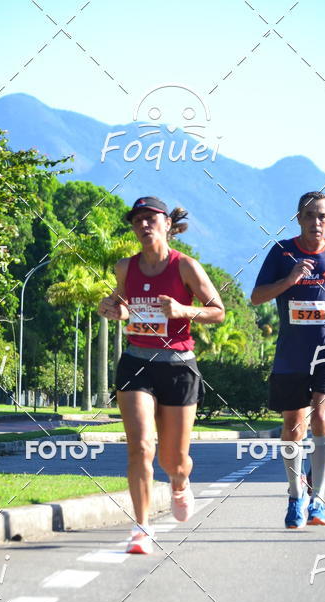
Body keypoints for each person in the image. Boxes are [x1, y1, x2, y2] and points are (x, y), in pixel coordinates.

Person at [98, 196, 225, 553]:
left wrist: (184, 309)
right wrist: (111, 309)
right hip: (136, 361)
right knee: (140, 447)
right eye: (137, 219)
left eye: (151, 218)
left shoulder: (185, 267)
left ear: (167, 223)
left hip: (178, 364)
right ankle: (141, 529)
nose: (143, 224)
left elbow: (218, 311)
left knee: (173, 459)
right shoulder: (125, 267)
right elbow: (120, 305)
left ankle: (180, 481)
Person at [251, 190, 325, 528]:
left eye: (322, 216)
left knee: (322, 419)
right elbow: (256, 297)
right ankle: (296, 496)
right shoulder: (282, 252)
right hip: (292, 355)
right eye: (310, 216)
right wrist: (289, 280)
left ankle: (319, 501)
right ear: (298, 218)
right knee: (293, 426)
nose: (316, 222)